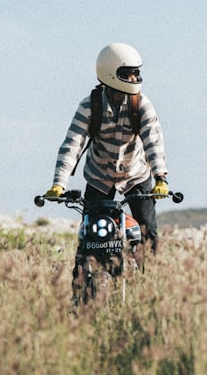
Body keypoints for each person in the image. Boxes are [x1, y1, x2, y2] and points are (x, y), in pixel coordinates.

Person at [44, 42, 170, 253]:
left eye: (136, 73)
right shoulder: (89, 106)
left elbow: (153, 141)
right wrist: (59, 184)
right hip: (99, 176)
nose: (134, 78)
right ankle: (83, 279)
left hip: (135, 175)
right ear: (111, 73)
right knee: (89, 236)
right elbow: (72, 143)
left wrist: (161, 178)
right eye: (128, 73)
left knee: (149, 232)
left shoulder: (142, 104)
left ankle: (150, 280)